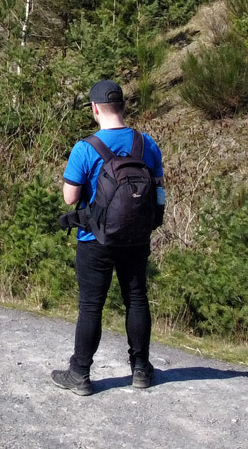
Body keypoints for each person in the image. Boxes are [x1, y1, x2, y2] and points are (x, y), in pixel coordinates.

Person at [50, 78, 163, 396]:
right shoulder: (147, 144)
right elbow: (159, 188)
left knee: (91, 306)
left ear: (95, 109)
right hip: (137, 239)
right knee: (137, 300)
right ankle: (141, 370)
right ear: (123, 107)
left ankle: (80, 374)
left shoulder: (86, 147)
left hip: (94, 240)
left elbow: (70, 198)